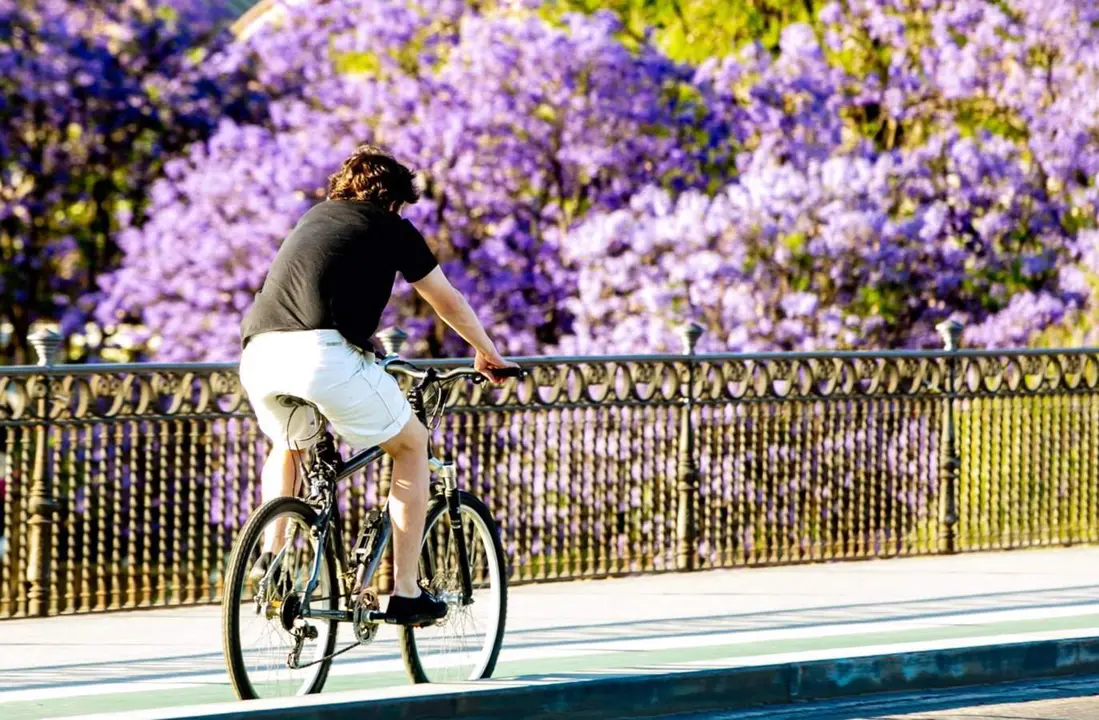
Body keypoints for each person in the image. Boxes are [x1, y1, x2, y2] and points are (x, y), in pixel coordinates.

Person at [237, 145, 517, 626]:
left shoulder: (314, 217)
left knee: (289, 443)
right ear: (393, 201)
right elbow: (445, 300)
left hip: (259, 352)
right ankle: (406, 593)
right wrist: (486, 352)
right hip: (321, 356)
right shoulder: (391, 226)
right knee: (411, 445)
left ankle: (272, 557)